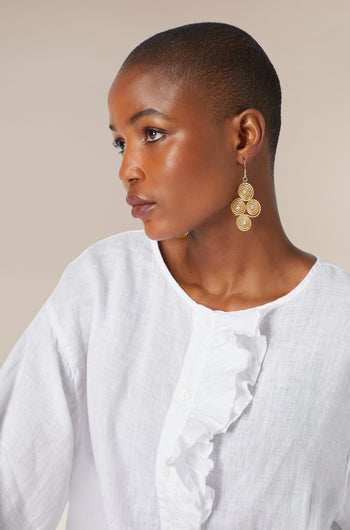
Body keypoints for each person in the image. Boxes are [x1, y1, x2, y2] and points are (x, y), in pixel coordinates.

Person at [0, 21, 349, 530]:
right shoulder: (104, 288)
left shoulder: (339, 324)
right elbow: (11, 483)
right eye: (121, 143)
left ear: (244, 135)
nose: (128, 170)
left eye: (153, 134)